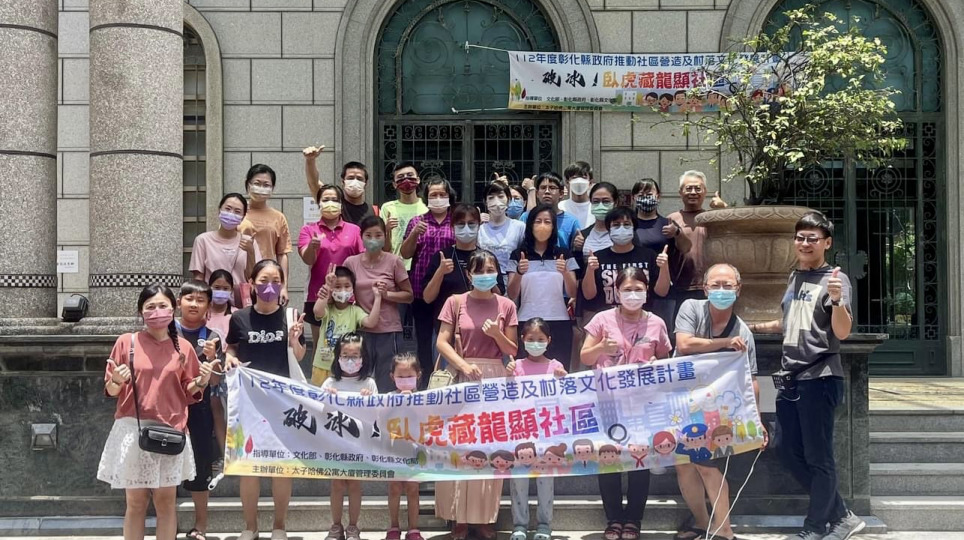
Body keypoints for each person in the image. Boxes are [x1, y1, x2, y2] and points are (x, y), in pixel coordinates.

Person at [750, 211, 864, 540]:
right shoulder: (795, 277)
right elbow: (790, 321)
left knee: (818, 456)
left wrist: (838, 301)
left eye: (812, 238)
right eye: (799, 238)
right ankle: (841, 514)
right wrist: (752, 326)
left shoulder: (836, 280)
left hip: (819, 377)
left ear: (827, 243)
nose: (804, 243)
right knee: (786, 451)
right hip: (790, 377)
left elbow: (842, 332)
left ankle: (815, 527)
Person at [97, 284, 215, 540]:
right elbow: (112, 390)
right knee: (136, 502)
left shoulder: (183, 348)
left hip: (171, 430)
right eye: (150, 307)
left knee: (166, 502)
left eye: (163, 306)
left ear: (173, 309)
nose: (157, 311)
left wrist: (202, 381)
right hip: (133, 430)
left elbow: (190, 391)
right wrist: (116, 380)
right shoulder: (126, 342)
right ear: (141, 311)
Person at [581, 267, 672, 540]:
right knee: (608, 458)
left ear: (647, 291)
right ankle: (613, 519)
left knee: (639, 460)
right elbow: (584, 357)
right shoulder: (601, 319)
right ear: (616, 292)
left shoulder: (657, 323)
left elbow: (666, 361)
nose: (633, 294)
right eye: (627, 289)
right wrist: (600, 349)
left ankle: (633, 519)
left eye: (638, 289)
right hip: (608, 401)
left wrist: (657, 364)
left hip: (643, 402)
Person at [673, 264, 762, 540]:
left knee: (706, 465)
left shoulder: (743, 332)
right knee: (683, 464)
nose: (721, 290)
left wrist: (757, 420)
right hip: (682, 401)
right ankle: (702, 523)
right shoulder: (691, 308)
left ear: (738, 289)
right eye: (715, 285)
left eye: (727, 285)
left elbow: (751, 379)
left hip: (718, 408)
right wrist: (724, 343)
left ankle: (724, 530)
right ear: (705, 288)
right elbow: (684, 344)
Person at [435, 250, 519, 540]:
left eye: (491, 269)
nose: (485, 275)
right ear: (469, 274)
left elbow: (512, 349)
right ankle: (457, 517)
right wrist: (462, 366)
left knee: (489, 446)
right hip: (462, 377)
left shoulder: (506, 305)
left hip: (494, 379)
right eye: (479, 270)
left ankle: (483, 517)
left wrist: (497, 334)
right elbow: (442, 341)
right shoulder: (455, 302)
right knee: (458, 444)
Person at [224, 259, 307, 540]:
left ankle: (279, 526)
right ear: (251, 283)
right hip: (249, 402)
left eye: (275, 281)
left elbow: (299, 357)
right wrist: (230, 359)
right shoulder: (239, 318)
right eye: (263, 281)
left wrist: (294, 339)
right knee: (249, 466)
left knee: (282, 466)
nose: (269, 287)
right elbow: (231, 348)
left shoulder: (291, 316)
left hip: (284, 403)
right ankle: (250, 527)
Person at [423, 204, 506, 382]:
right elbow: (427, 297)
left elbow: (500, 296)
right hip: (448, 334)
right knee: (448, 385)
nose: (466, 228)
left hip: (484, 335)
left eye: (471, 223)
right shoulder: (442, 256)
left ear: (479, 225)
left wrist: (487, 279)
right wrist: (440, 272)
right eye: (461, 224)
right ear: (452, 227)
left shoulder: (487, 258)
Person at [507, 318, 566, 540]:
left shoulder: (555, 366)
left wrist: (563, 379)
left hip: (546, 432)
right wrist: (508, 375)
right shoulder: (516, 366)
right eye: (531, 339)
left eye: (540, 339)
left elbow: (566, 396)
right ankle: (519, 525)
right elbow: (506, 396)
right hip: (520, 430)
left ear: (549, 340)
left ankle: (544, 525)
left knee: (545, 480)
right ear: (522, 339)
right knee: (518, 480)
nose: (535, 343)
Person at [175, 280, 224, 540]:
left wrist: (212, 358)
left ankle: (200, 525)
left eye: (200, 300)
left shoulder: (213, 337)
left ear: (208, 307)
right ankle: (165, 522)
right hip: (168, 408)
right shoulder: (166, 331)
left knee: (201, 466)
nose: (194, 304)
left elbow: (215, 383)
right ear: (179, 302)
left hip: (200, 410)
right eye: (189, 298)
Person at [343, 216, 415, 391]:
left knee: (387, 382)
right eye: (368, 235)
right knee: (359, 380)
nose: (373, 240)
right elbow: (343, 290)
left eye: (378, 235)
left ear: (385, 236)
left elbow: (409, 296)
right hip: (361, 329)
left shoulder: (394, 261)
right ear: (361, 237)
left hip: (388, 331)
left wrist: (387, 294)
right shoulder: (351, 263)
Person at [507, 204, 578, 369]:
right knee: (525, 371)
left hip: (559, 321)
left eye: (547, 222)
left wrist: (565, 272)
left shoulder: (564, 254)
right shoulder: (518, 255)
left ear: (553, 227)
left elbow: (573, 292)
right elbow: (512, 294)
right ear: (530, 225)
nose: (542, 225)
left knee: (559, 372)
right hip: (526, 320)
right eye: (538, 221)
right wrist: (519, 272)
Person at [321, 333, 377, 540]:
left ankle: (353, 526)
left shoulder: (369, 384)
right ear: (338, 356)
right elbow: (318, 411)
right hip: (335, 442)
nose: (350, 360)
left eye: (355, 356)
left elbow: (376, 415)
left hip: (358, 444)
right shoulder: (329, 382)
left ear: (363, 358)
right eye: (345, 356)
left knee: (354, 484)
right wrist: (327, 398)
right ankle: (336, 526)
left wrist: (369, 400)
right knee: (337, 484)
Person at [400, 177, 457, 380]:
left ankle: (449, 378)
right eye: (433, 195)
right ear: (426, 198)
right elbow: (405, 254)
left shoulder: (457, 221)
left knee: (450, 338)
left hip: (450, 290)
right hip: (420, 290)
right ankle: (426, 381)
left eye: (442, 194)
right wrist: (414, 234)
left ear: (449, 196)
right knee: (424, 339)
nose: (438, 198)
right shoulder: (417, 222)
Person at [582, 206, 671, 330]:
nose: (621, 228)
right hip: (609, 322)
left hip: (642, 321)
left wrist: (664, 267)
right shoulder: (597, 258)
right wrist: (590, 270)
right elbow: (588, 295)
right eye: (616, 225)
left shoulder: (648, 255)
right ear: (609, 229)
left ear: (634, 228)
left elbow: (662, 292)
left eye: (627, 224)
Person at [298, 183, 364, 347]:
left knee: (348, 346)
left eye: (335, 200)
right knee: (320, 345)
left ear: (341, 204)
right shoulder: (308, 230)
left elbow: (362, 260)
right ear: (319, 203)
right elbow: (308, 260)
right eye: (326, 199)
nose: (330, 203)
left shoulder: (355, 230)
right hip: (318, 295)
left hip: (347, 296)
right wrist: (312, 247)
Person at [311, 265, 380, 385]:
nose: (342, 290)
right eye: (337, 287)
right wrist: (327, 286)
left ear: (353, 288)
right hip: (322, 366)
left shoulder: (355, 311)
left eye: (347, 286)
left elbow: (371, 322)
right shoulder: (327, 309)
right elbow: (317, 311)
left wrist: (378, 298)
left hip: (344, 368)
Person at [190, 192, 262, 307]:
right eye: (227, 209)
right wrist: (201, 304)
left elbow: (253, 278)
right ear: (219, 210)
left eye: (237, 211)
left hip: (242, 305)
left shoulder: (249, 242)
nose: (231, 214)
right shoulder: (202, 240)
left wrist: (250, 252)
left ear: (243, 217)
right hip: (212, 305)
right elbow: (198, 278)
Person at [238, 164, 293, 305]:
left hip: (266, 281)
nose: (261, 188)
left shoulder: (278, 217)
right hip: (238, 279)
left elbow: (282, 254)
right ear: (247, 184)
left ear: (272, 188)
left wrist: (283, 287)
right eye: (257, 183)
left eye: (266, 184)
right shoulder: (236, 212)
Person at [386, 353, 424, 540]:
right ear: (392, 377)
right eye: (400, 376)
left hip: (415, 450)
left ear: (418, 375)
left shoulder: (425, 398)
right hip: (393, 449)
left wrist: (412, 402)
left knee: (413, 489)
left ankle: (413, 529)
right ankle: (393, 527)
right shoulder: (388, 398)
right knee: (394, 488)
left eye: (409, 376)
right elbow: (380, 417)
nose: (405, 380)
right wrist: (398, 402)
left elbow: (429, 417)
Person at [304, 148, 378, 225]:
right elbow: (314, 183)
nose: (355, 182)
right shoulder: (333, 203)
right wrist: (310, 160)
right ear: (343, 182)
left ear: (366, 183)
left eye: (359, 178)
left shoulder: (374, 211)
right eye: (350, 178)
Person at [206, 270, 234, 472]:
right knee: (216, 410)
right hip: (207, 366)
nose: (221, 292)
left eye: (225, 288)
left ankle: (234, 455)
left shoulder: (236, 314)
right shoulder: (203, 314)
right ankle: (223, 456)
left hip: (229, 367)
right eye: (216, 287)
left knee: (231, 412)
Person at [381, 162, 428, 267]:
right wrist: (386, 230)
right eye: (400, 177)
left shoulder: (427, 206)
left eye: (410, 175)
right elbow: (384, 248)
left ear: (418, 180)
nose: (406, 180)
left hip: (420, 265)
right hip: (395, 266)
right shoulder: (387, 208)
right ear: (394, 184)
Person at [520, 172, 582, 251]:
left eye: (552, 188)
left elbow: (575, 250)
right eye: (543, 188)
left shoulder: (572, 221)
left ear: (561, 193)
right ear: (537, 193)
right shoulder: (526, 217)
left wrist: (578, 246)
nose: (547, 191)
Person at [478, 182, 525, 279]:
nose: (496, 202)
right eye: (491, 198)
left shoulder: (519, 227)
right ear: (485, 202)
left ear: (508, 200)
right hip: (485, 279)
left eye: (500, 197)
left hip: (510, 279)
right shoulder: (479, 228)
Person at [558, 161, 595, 229]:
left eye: (583, 178)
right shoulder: (560, 207)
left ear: (590, 182)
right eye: (574, 178)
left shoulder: (596, 208)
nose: (579, 181)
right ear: (567, 182)